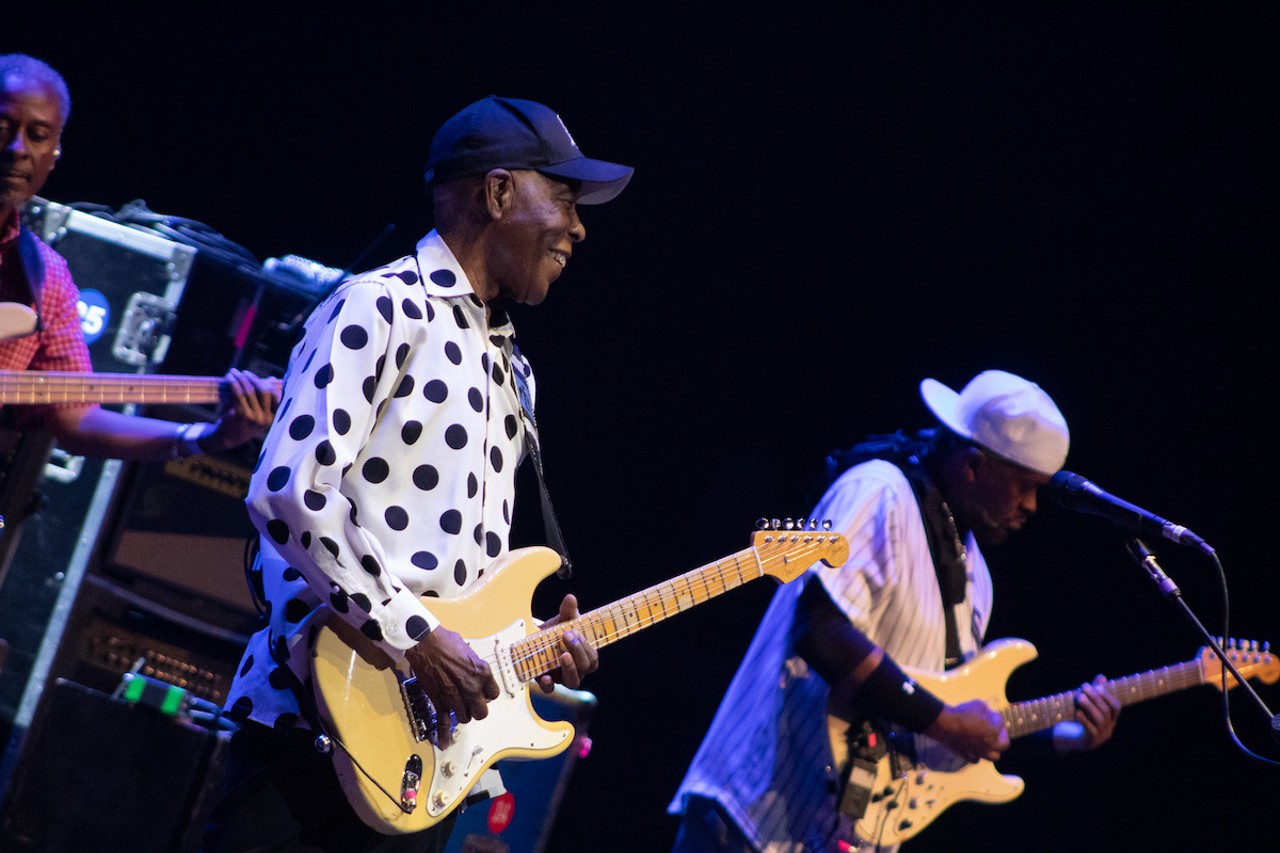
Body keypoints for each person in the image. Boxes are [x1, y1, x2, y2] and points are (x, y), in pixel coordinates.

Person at [202, 94, 634, 852]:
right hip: (317, 724)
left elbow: (457, 568)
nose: (578, 225)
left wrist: (523, 644)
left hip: (426, 758)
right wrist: (417, 638)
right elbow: (289, 491)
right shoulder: (378, 306)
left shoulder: (515, 367)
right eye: (563, 198)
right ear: (499, 193)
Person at [669, 369, 1123, 852]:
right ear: (973, 466)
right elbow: (821, 630)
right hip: (749, 822)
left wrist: (1064, 737)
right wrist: (947, 722)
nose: (1032, 506)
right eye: (1024, 486)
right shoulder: (879, 492)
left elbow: (934, 716)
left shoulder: (977, 576)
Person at [0, 52, 279, 463]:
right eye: (2, 128)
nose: (17, 148)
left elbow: (77, 418)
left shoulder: (46, 280)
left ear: (54, 153)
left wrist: (209, 435)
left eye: (38, 135)